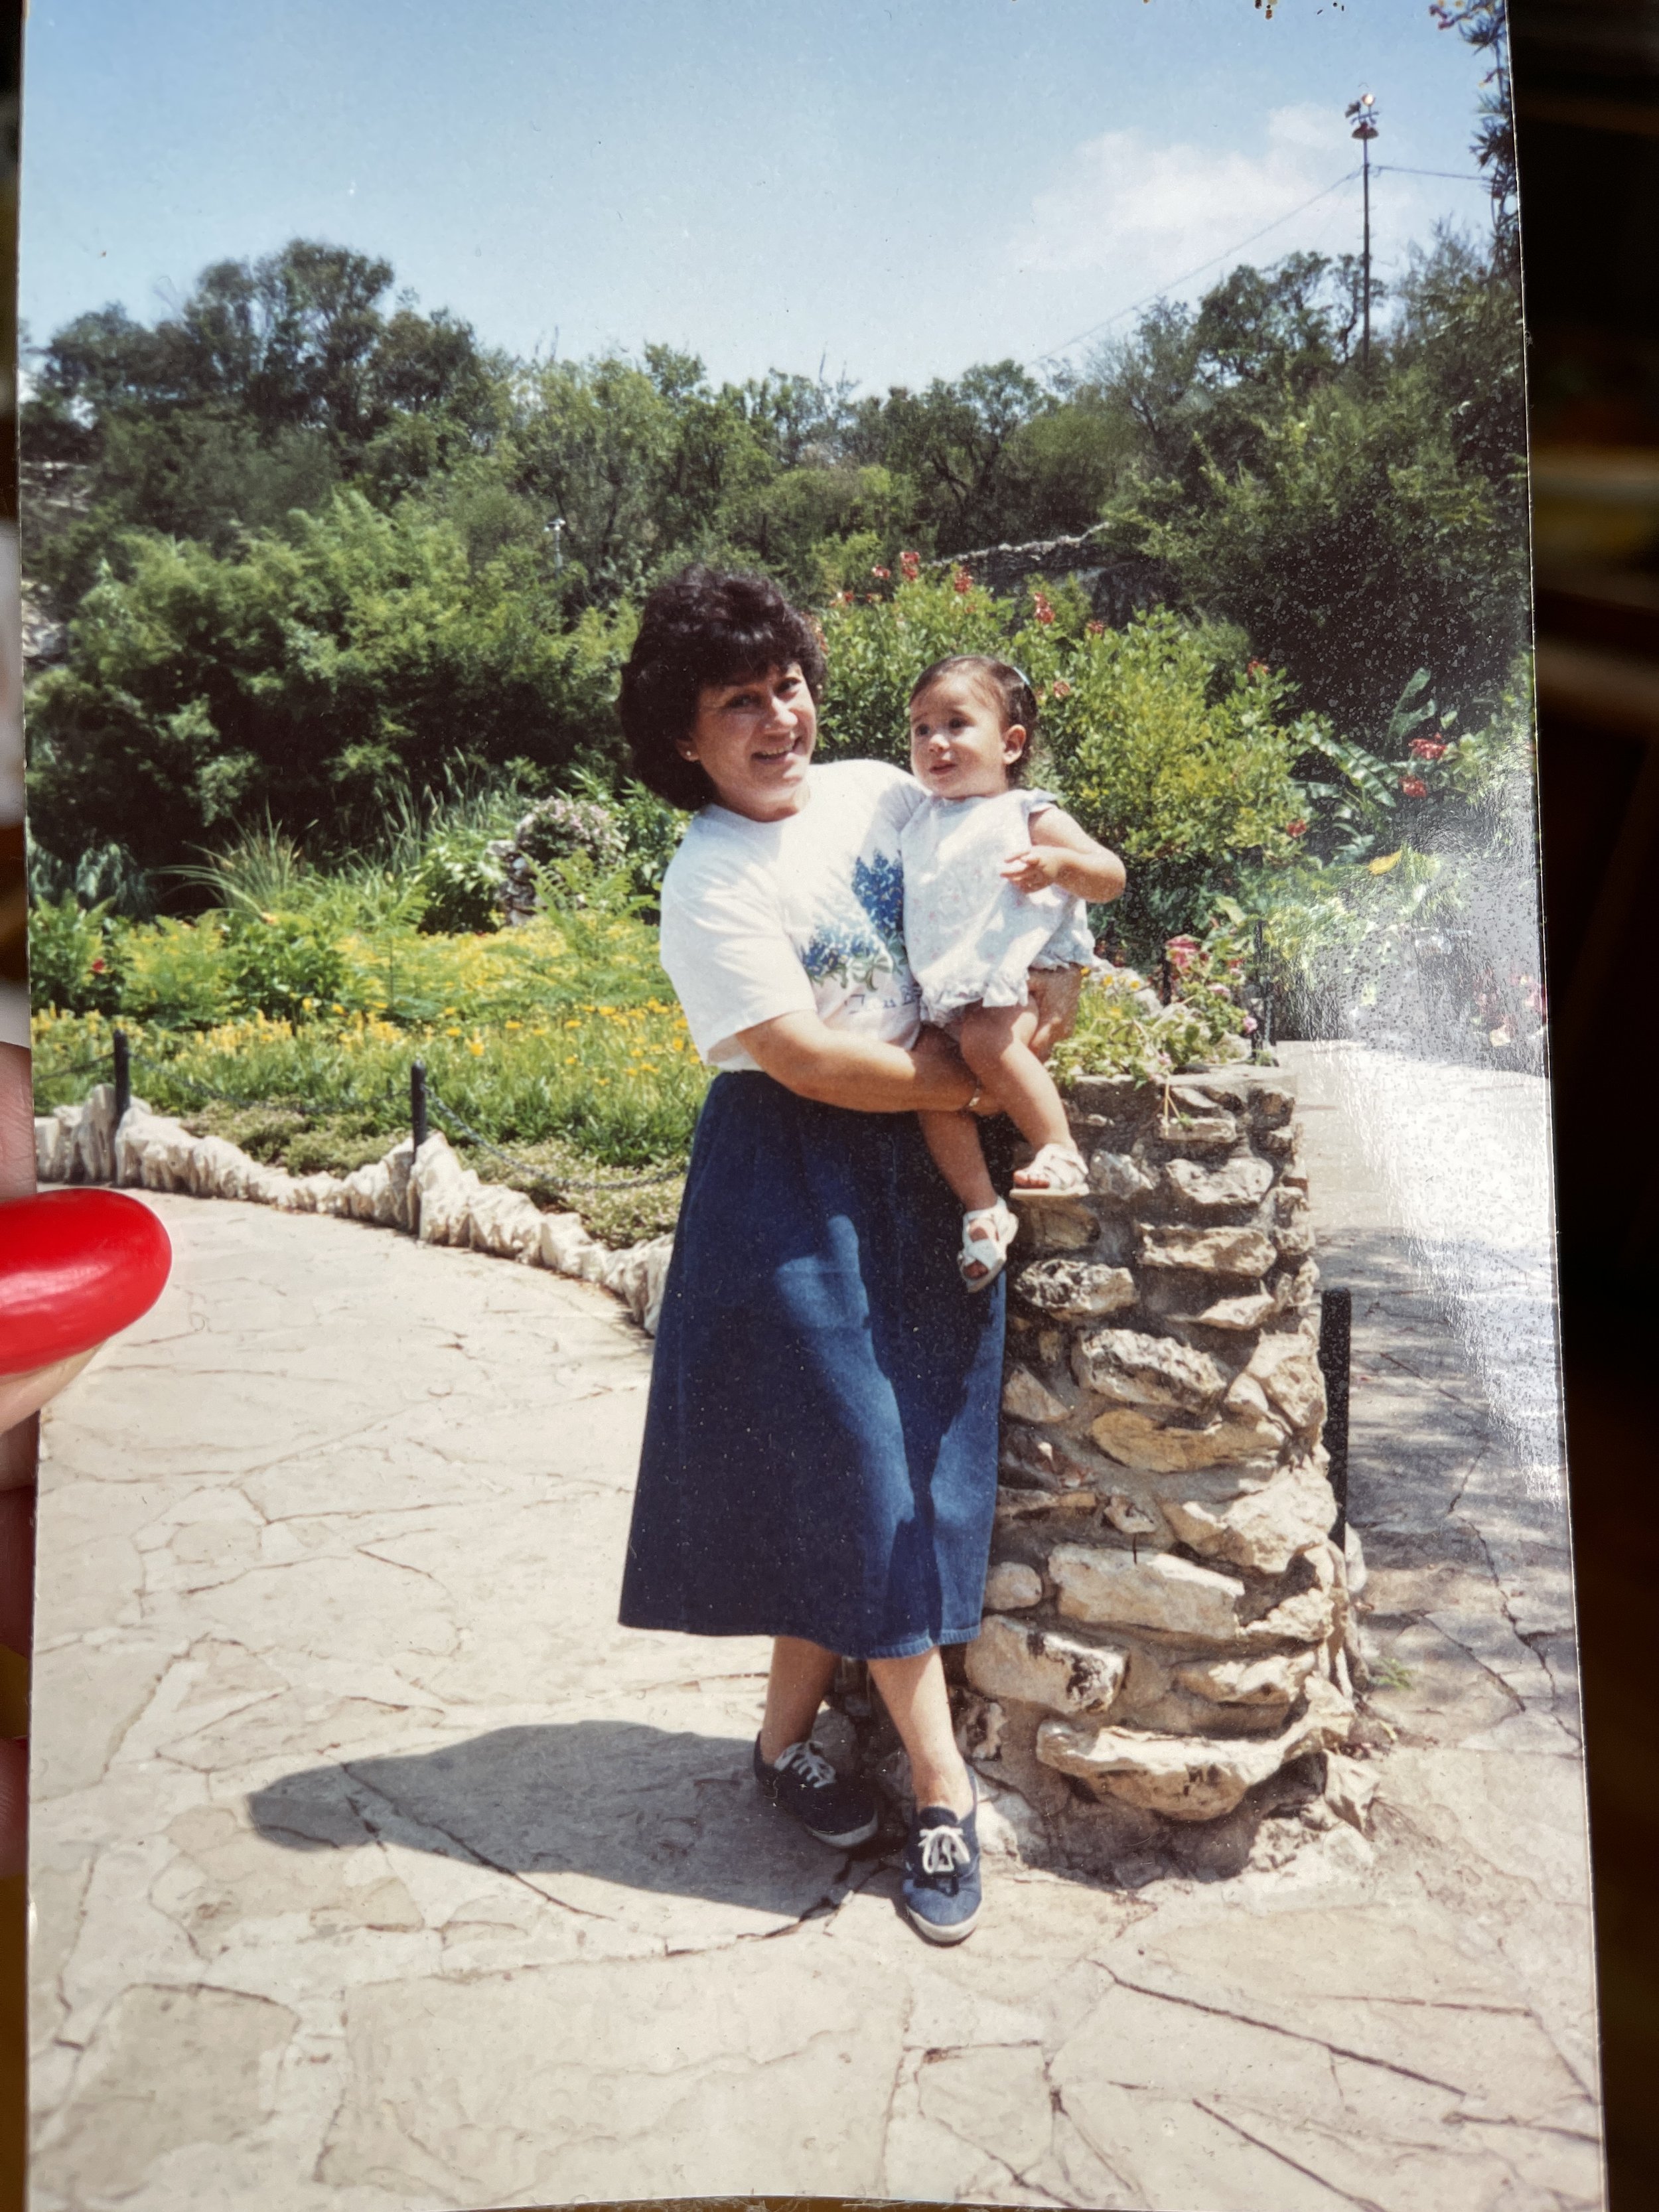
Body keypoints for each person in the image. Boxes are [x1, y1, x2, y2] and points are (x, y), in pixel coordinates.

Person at [614, 567, 1077, 1945]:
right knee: (864, 1466)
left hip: (920, 1165)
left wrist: (1045, 984)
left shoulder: (882, 788)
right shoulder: (708, 878)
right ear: (684, 736)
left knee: (886, 1467)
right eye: (738, 703)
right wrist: (965, 1085)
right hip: (791, 1181)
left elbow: (1007, 863)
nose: (780, 719)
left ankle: (777, 1745)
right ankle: (942, 1790)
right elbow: (807, 1058)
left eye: (789, 686)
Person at [903, 654, 1125, 1289]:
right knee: (927, 1080)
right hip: (950, 989)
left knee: (984, 1042)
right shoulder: (919, 820)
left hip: (1020, 976)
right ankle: (982, 1210)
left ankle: (1060, 1149)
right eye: (921, 728)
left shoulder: (1026, 812)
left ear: (1010, 744)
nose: (935, 741)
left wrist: (1058, 865)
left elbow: (1110, 874)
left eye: (956, 724)